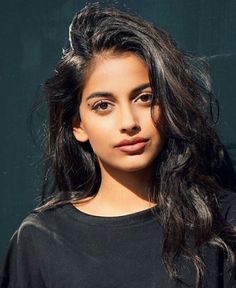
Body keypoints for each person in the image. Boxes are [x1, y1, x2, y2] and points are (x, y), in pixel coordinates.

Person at [1, 2, 236, 288]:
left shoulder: (220, 222)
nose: (128, 121)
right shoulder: (39, 240)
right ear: (78, 125)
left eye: (145, 98)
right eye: (103, 105)